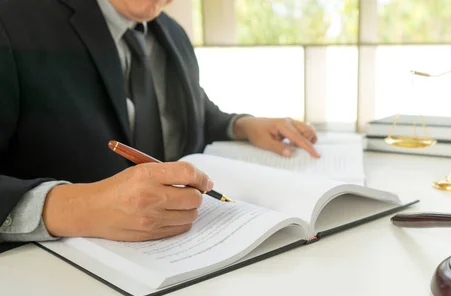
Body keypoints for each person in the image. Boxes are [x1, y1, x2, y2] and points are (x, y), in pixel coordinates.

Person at [0, 0, 319, 248]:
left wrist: (242, 125)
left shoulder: (173, 34)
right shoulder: (12, 20)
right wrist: (74, 209)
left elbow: (192, 113)